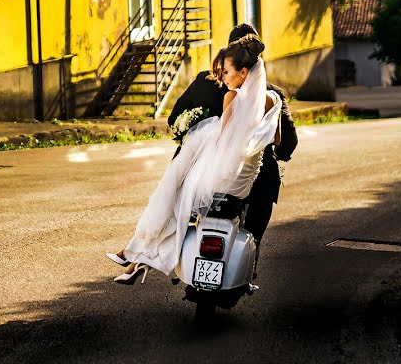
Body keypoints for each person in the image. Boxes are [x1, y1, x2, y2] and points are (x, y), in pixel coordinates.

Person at [106, 34, 282, 284]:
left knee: (175, 199)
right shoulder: (272, 99)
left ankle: (142, 257)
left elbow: (222, 144)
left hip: (220, 178)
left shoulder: (232, 97)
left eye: (227, 72)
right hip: (243, 184)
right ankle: (139, 258)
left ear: (243, 72)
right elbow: (276, 140)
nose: (223, 78)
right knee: (180, 197)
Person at [167, 24, 260, 159]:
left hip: (195, 161)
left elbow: (173, 118)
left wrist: (192, 131)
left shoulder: (204, 80)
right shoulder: (268, 94)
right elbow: (287, 144)